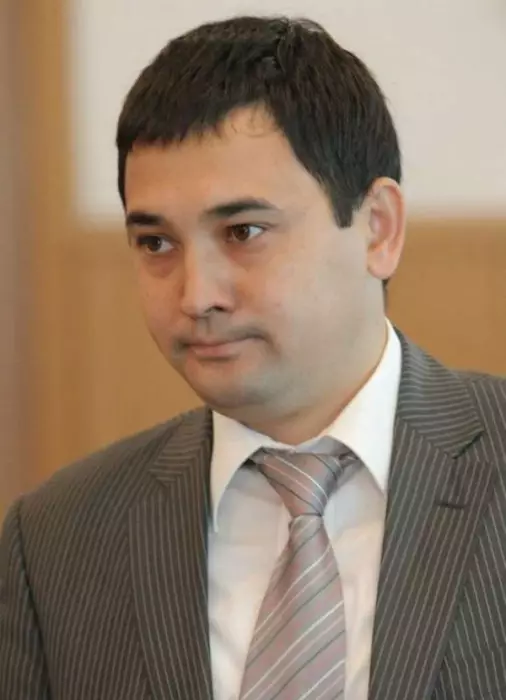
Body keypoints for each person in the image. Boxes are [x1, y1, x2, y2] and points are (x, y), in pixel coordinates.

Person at [1, 14, 505, 700]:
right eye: (156, 244)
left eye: (243, 232)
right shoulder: (56, 541)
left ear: (378, 229)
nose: (196, 295)